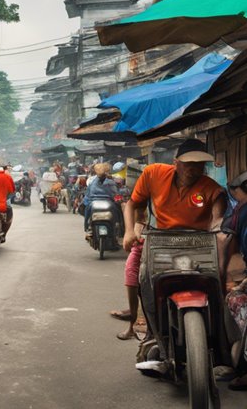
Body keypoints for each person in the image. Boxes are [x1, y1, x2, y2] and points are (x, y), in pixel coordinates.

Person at [122, 139, 227, 345]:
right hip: (161, 244)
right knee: (145, 281)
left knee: (217, 285)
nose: (194, 169)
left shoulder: (211, 188)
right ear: (176, 162)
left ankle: (219, 341)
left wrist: (219, 228)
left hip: (199, 247)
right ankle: (153, 334)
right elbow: (132, 204)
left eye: (199, 165)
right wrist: (128, 231)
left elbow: (218, 218)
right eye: (189, 164)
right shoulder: (154, 174)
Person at [223, 170, 247, 389]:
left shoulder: (241, 210)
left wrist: (234, 282)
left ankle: (242, 369)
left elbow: (228, 241)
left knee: (235, 301)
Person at [83, 162, 120, 232]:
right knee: (118, 211)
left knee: (87, 210)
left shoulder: (92, 182)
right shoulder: (111, 182)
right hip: (109, 204)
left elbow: (87, 196)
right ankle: (119, 229)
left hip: (93, 204)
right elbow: (115, 194)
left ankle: (87, 227)